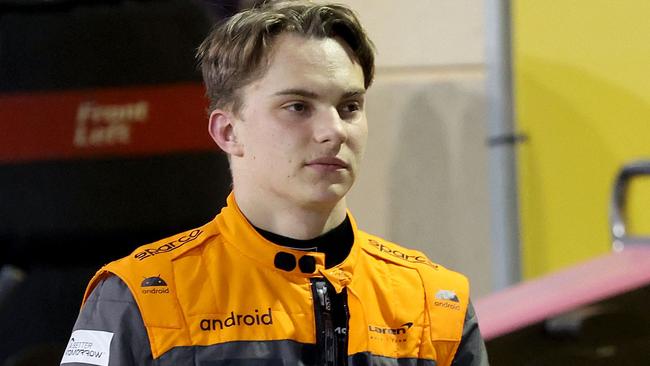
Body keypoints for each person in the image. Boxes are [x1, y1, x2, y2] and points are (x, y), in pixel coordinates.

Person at [60, 1, 488, 365]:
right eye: (298, 106)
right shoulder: (139, 297)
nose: (334, 130)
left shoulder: (436, 301)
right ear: (228, 132)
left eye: (350, 106)